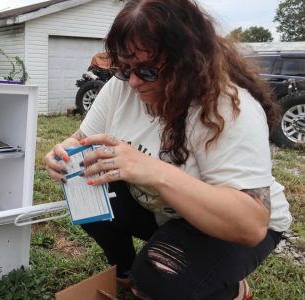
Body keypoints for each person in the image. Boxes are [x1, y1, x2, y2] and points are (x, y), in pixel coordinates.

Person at [44, 0, 292, 299]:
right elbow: (81, 139)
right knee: (83, 181)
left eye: (148, 71)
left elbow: (250, 224)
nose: (133, 82)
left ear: (189, 61)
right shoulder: (120, 88)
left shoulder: (225, 108)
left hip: (230, 224)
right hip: (166, 211)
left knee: (158, 279)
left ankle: (231, 289)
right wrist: (65, 153)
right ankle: (123, 271)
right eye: (125, 68)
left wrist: (153, 171)